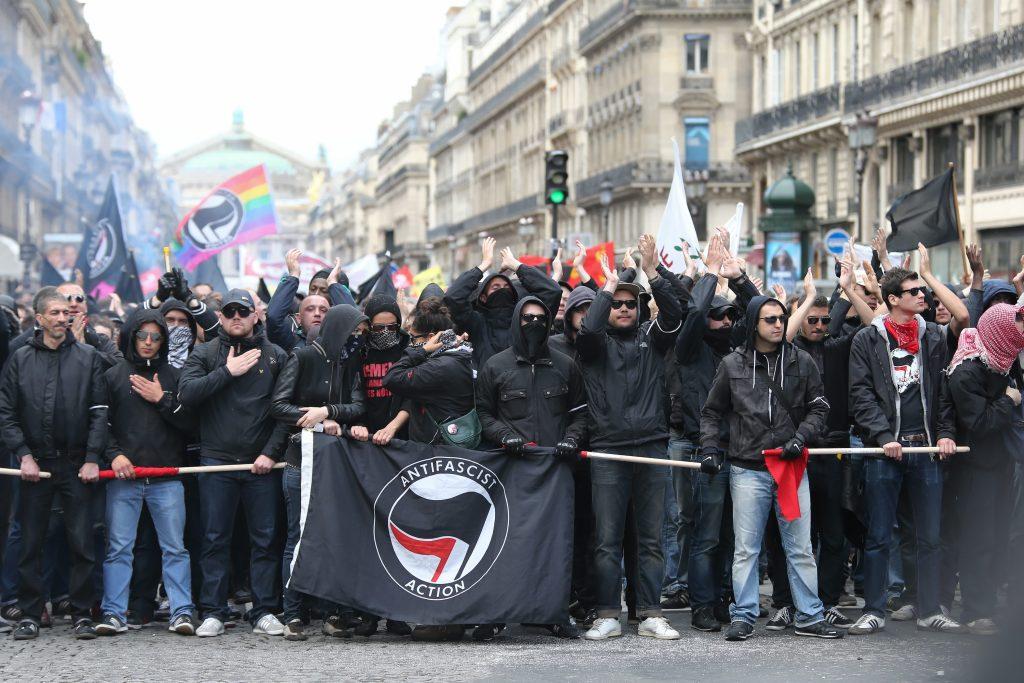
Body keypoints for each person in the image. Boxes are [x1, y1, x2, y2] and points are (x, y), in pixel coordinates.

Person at [699, 290, 841, 641]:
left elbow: (820, 406)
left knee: (801, 547)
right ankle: (744, 614)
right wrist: (709, 448)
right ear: (754, 325)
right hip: (748, 468)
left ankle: (809, 614)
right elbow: (711, 411)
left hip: (791, 466)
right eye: (771, 319)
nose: (779, 325)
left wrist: (800, 438)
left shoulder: (802, 360)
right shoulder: (732, 364)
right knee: (746, 549)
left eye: (781, 318)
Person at [575, 234, 682, 642]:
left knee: (651, 538)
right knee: (606, 539)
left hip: (653, 446)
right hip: (607, 450)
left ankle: (651, 612)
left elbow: (679, 309)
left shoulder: (653, 339)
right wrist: (608, 285)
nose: (623, 308)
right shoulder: (594, 345)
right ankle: (607, 613)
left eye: (630, 303)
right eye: (617, 303)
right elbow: (587, 328)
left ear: (640, 308)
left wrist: (652, 270)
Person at [847, 268, 963, 635]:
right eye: (914, 291)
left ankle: (929, 610)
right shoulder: (867, 339)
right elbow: (860, 395)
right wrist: (882, 436)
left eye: (922, 289)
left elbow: (944, 393)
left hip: (926, 449)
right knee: (880, 536)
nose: (922, 296)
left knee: (930, 537)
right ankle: (875, 609)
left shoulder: (933, 338)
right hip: (886, 452)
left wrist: (944, 434)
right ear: (893, 299)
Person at [769, 257, 875, 631]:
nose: (818, 326)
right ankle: (784, 602)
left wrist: (846, 289)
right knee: (788, 533)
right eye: (811, 320)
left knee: (834, 532)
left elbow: (874, 323)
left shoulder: (840, 346)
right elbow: (781, 335)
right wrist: (809, 298)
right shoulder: (786, 353)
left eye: (824, 320)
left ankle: (828, 601)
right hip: (793, 452)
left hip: (833, 449)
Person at [178, 289, 289, 638]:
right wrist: (227, 371)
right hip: (216, 462)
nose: (237, 316)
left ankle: (265, 610)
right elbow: (186, 394)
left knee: (266, 539)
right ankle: (213, 609)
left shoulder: (277, 355)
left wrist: (270, 454)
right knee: (213, 539)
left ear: (257, 315)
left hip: (262, 464)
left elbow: (285, 411)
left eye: (244, 310)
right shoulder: (205, 352)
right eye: (230, 312)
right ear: (221, 317)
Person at [476, 294, 587, 639]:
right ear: (516, 321)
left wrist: (571, 440)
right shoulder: (496, 366)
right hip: (512, 469)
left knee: (555, 544)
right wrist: (504, 436)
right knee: (506, 543)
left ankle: (554, 613)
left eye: (541, 317)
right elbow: (483, 414)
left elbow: (580, 414)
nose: (535, 324)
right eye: (528, 318)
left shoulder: (565, 365)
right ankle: (495, 615)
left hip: (555, 470)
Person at [0, 287, 108, 640]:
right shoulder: (19, 358)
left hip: (76, 464)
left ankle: (80, 613)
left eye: (67, 312)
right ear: (40, 317)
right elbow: (7, 412)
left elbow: (99, 412)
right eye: (56, 313)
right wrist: (24, 455)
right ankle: (32, 612)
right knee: (31, 542)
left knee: (81, 542)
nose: (64, 318)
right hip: (35, 467)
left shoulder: (89, 356)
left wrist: (92, 458)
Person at [671, 233, 757, 632]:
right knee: (705, 532)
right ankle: (702, 604)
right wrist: (708, 274)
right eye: (717, 316)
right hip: (706, 451)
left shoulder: (739, 349)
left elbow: (758, 313)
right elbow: (692, 315)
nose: (725, 322)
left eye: (729, 317)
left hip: (741, 450)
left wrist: (738, 278)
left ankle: (724, 597)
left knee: (732, 535)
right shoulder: (690, 348)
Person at [95, 309, 197, 636]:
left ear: (164, 341)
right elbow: (100, 425)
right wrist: (115, 456)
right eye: (142, 336)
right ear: (131, 337)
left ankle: (182, 612)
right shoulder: (113, 375)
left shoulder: (175, 376)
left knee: (175, 549)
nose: (149, 342)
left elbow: (190, 425)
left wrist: (162, 399)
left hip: (166, 479)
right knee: (118, 548)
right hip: (124, 478)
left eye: (156, 337)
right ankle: (113, 613)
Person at [272, 304, 368, 641]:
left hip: (335, 464)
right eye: (353, 331)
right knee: (298, 539)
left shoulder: (350, 362)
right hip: (301, 462)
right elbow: (278, 405)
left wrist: (329, 412)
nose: (357, 338)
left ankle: (334, 613)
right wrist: (310, 416)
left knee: (333, 538)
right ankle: (293, 614)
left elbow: (359, 406)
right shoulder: (301, 357)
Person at [382, 297, 474, 643]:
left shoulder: (442, 366)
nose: (411, 344)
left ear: (433, 337)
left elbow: (394, 378)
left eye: (415, 338)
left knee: (442, 542)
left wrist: (420, 353)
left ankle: (445, 619)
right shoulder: (457, 358)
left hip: (443, 465)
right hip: (447, 459)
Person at [943, 303, 1024, 635]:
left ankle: (990, 603)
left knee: (998, 534)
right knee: (979, 537)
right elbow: (979, 422)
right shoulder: (967, 371)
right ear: (1003, 331)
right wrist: (1008, 401)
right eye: (1018, 326)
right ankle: (976, 609)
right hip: (976, 468)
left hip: (1001, 464)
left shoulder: (1004, 363)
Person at [444, 238, 562, 367]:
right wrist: (483, 266)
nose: (502, 290)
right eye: (495, 288)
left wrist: (516, 266)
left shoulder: (525, 320)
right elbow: (453, 297)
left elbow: (553, 292)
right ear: (483, 297)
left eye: (506, 287)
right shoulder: (476, 322)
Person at [8, 281, 121, 369]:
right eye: (67, 298)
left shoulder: (100, 339)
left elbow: (118, 367)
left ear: (86, 306)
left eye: (79, 299)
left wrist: (84, 350)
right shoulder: (28, 344)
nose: (73, 304)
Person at [267, 251, 355, 352]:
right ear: (299, 317)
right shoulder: (291, 334)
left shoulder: (342, 337)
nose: (316, 294)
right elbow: (273, 318)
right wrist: (293, 276)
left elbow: (353, 322)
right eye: (313, 289)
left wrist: (333, 284)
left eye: (324, 290)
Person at [359, 296, 410, 446]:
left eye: (392, 327)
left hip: (402, 434)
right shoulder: (360, 350)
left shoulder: (407, 349)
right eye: (379, 328)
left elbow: (412, 397)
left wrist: (393, 426)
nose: (386, 332)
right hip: (364, 434)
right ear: (369, 326)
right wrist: (359, 423)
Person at [549, 286, 594, 360]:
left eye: (590, 310)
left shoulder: (607, 346)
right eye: (579, 310)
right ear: (569, 315)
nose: (585, 315)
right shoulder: (551, 344)